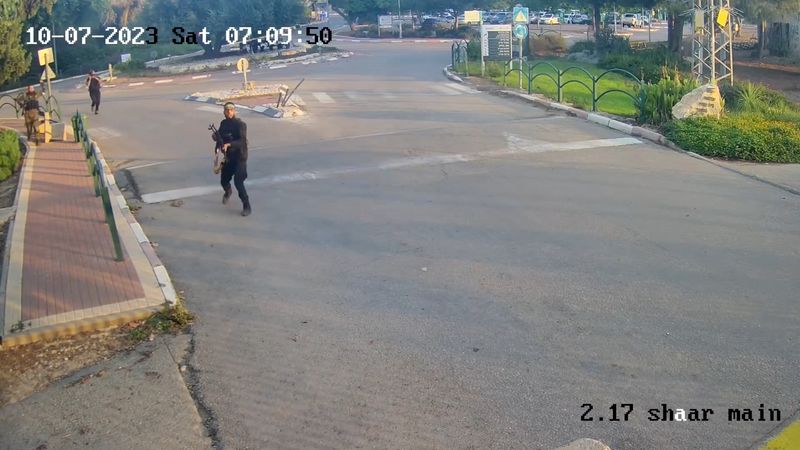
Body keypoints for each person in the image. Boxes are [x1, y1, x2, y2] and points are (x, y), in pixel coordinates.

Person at [212, 102, 251, 216]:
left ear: (235, 111)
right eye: (227, 110)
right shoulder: (223, 124)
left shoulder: (240, 125)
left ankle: (246, 205)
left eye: (231, 110)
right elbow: (220, 137)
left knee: (238, 182)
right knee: (224, 181)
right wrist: (216, 141)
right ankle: (228, 191)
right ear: (224, 112)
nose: (229, 112)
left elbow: (242, 141)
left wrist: (229, 144)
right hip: (228, 158)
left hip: (240, 157)